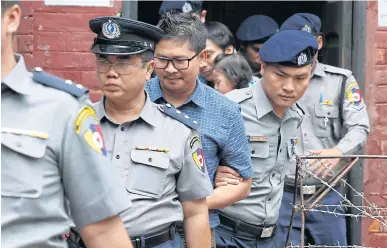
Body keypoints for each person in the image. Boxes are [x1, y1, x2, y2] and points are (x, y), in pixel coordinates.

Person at [1, 1, 133, 248]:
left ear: (11, 19)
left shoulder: (61, 110)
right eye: (104, 60)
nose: (112, 71)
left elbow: (104, 233)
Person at [87, 16, 214, 248]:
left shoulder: (178, 131)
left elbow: (195, 212)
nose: (111, 72)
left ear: (149, 69)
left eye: (124, 62)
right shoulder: (75, 125)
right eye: (103, 61)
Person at [145, 13, 253, 247]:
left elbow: (243, 182)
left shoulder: (225, 110)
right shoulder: (135, 99)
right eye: (162, 60)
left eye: (180, 61)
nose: (170, 69)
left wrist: (192, 205)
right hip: (142, 232)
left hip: (197, 231)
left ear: (202, 57)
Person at [273, 13, 371, 247]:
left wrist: (338, 151)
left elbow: (360, 126)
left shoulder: (339, 81)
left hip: (326, 194)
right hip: (281, 195)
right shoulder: (271, 81)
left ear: (318, 43)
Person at [214, 29, 318, 248]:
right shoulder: (230, 108)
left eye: (300, 78)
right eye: (280, 75)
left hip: (270, 238)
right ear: (262, 67)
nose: (289, 87)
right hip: (224, 234)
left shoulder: (294, 116)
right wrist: (211, 174)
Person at [199, 21, 235, 87]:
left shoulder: (251, 88)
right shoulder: (191, 87)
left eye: (208, 56)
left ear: (228, 50)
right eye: (196, 58)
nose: (201, 64)